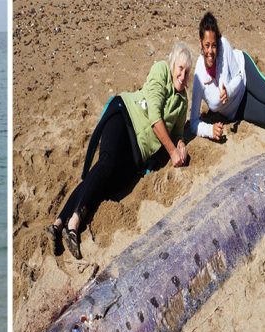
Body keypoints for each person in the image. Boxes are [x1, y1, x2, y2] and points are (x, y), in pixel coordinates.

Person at [48, 42, 194, 260]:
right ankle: (73, 223)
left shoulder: (182, 101)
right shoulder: (161, 70)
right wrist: (173, 152)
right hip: (124, 117)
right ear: (173, 65)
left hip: (137, 151)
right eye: (180, 68)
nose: (182, 75)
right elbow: (155, 116)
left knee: (106, 182)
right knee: (106, 163)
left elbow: (178, 130)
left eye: (187, 71)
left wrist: (180, 142)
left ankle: (58, 223)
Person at [189, 11, 265, 141]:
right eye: (207, 45)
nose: (210, 51)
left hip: (244, 72)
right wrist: (210, 130)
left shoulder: (224, 45)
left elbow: (238, 76)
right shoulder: (199, 77)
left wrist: (228, 90)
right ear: (201, 44)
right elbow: (193, 122)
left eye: (214, 45)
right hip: (236, 108)